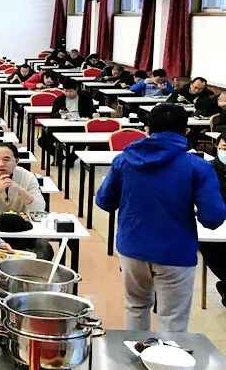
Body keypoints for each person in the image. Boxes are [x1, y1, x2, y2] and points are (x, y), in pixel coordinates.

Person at [96, 104, 226, 332]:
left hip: (132, 248)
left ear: (147, 129)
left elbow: (104, 201)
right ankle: (168, 355)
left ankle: (136, 352)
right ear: (186, 131)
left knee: (136, 307)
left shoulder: (123, 160)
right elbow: (213, 218)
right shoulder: (197, 166)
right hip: (175, 252)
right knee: (172, 319)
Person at [0, 143, 50, 258]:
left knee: (45, 250)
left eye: (6, 160)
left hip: (23, 231)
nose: (0, 164)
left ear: (16, 161)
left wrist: (19, 189)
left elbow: (40, 207)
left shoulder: (28, 177)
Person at [201, 138, 226, 306]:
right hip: (214, 226)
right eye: (225, 147)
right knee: (213, 248)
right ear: (217, 147)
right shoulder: (207, 169)